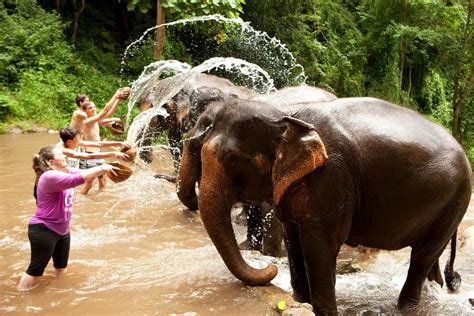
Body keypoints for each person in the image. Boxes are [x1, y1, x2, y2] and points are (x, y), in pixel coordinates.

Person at [17, 145, 118, 291]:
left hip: (63, 230)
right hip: (45, 229)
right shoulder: (49, 176)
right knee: (36, 270)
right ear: (51, 162)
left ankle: (60, 294)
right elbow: (78, 178)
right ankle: (21, 295)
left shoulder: (65, 171)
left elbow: (85, 173)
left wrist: (109, 168)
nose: (64, 156)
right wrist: (102, 167)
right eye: (60, 154)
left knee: (61, 269)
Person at [57, 126, 129, 169]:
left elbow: (98, 144)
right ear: (70, 142)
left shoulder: (72, 142)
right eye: (77, 140)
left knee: (89, 181)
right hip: (60, 178)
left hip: (70, 172)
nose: (80, 141)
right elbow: (89, 156)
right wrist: (113, 153)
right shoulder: (61, 150)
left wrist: (120, 143)